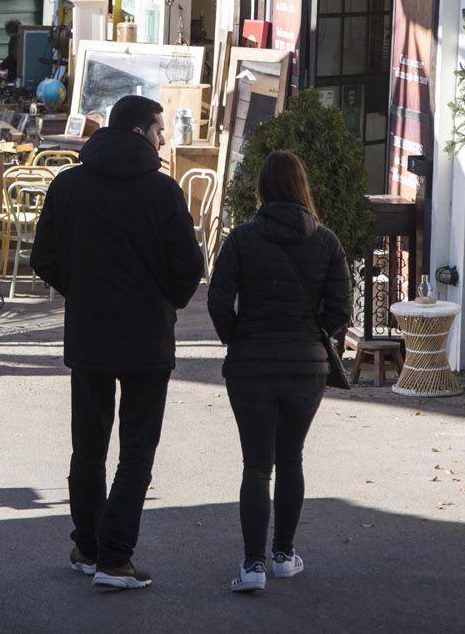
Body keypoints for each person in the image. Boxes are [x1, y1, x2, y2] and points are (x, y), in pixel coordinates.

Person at [31, 95, 206, 591]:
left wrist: (80, 289)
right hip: (147, 337)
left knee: (88, 446)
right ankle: (114, 558)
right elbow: (189, 266)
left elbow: (43, 257)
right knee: (136, 452)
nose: (164, 138)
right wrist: (164, 300)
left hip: (89, 331)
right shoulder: (163, 192)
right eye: (158, 130)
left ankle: (88, 547)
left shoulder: (68, 185)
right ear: (137, 132)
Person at [207, 150, 351, 594]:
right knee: (291, 459)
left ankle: (252, 565)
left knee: (256, 464)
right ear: (302, 186)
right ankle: (285, 555)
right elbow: (341, 308)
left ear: (263, 189)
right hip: (306, 365)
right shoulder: (325, 240)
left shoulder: (241, 240)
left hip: (251, 364)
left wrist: (237, 336)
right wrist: (313, 335)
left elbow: (217, 299)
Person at [1, 18, 23, 83]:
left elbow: (12, 57)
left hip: (14, 75)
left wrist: (3, 65)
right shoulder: (22, 39)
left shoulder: (14, 40)